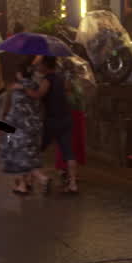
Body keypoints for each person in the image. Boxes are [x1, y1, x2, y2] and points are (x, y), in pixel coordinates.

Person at [0, 56, 49, 195]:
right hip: (34, 124)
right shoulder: (35, 85)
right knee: (29, 154)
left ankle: (31, 182)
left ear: (19, 73)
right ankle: (27, 182)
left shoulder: (17, 87)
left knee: (18, 154)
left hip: (19, 125)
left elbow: (14, 108)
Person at [41, 57, 78, 194]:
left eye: (41, 64)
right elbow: (68, 90)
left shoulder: (47, 80)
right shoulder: (62, 78)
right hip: (66, 118)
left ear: (46, 65)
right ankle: (73, 184)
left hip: (52, 120)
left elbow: (38, 95)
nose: (39, 67)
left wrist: (25, 89)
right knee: (69, 152)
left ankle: (33, 179)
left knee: (35, 149)